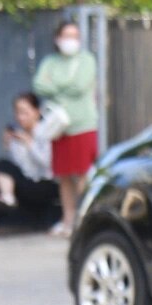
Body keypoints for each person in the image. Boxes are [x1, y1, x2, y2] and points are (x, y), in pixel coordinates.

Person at [0, 92, 60, 242]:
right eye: (18, 113)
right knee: (1, 172)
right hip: (25, 184)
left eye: (25, 113)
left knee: (3, 169)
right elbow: (18, 166)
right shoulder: (17, 132)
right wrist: (9, 144)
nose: (20, 117)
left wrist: (30, 144)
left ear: (37, 112)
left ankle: (6, 199)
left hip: (45, 185)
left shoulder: (46, 131)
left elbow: (48, 164)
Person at [34, 18, 99, 236]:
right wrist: (64, 88)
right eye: (67, 36)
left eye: (75, 36)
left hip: (83, 124)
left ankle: (84, 218)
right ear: (57, 39)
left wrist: (56, 87)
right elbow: (39, 84)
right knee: (63, 176)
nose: (71, 41)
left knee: (82, 174)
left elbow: (81, 86)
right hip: (58, 126)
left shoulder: (87, 60)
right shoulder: (50, 62)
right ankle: (67, 219)